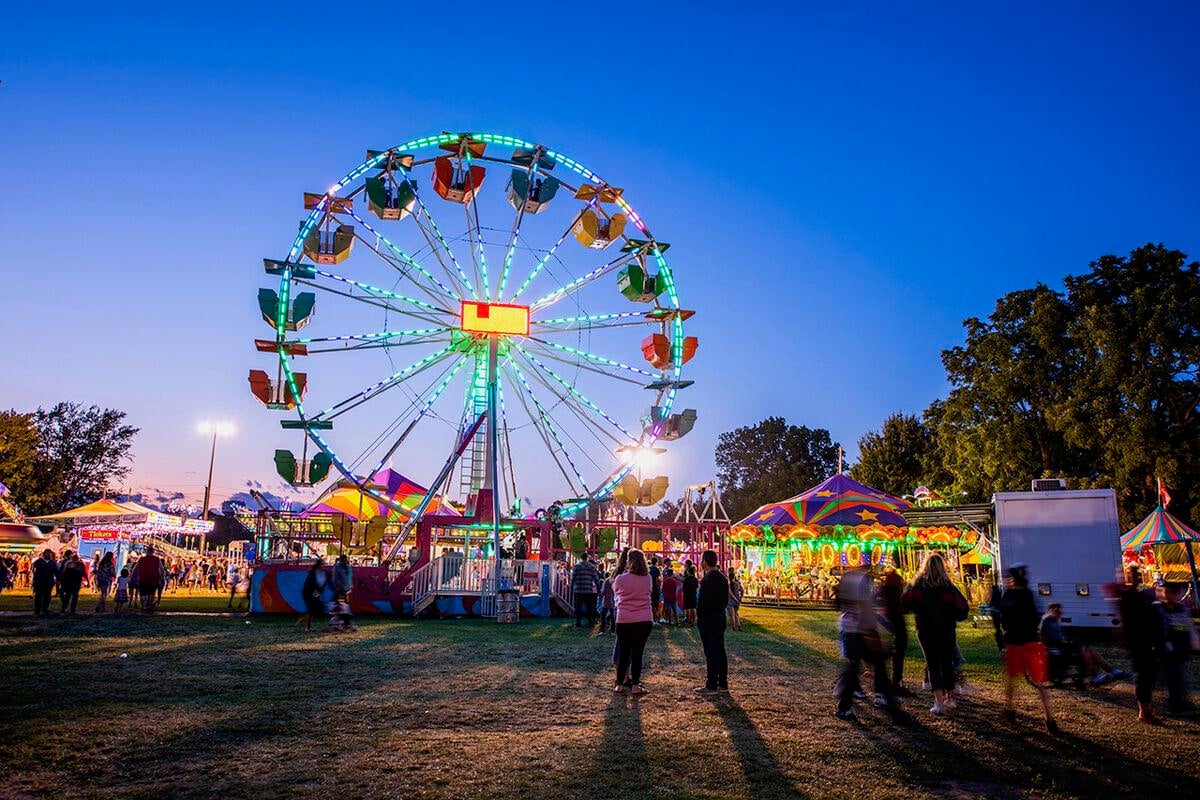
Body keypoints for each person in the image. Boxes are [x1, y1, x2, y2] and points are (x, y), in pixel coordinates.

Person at [835, 567, 905, 722]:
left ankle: (845, 705)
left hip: (848, 625)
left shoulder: (848, 577)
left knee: (855, 667)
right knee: (875, 665)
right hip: (860, 628)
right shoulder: (862, 580)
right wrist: (870, 628)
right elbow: (864, 604)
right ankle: (892, 709)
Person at [902, 553, 968, 715]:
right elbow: (963, 609)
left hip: (925, 630)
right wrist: (951, 616)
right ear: (942, 567)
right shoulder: (949, 587)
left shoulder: (917, 586)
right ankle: (950, 697)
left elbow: (904, 603)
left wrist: (917, 609)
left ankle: (938, 702)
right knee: (946, 663)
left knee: (932, 664)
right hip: (946, 630)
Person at [996, 565, 1058, 733]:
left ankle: (1010, 709)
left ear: (1012, 579)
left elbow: (1003, 619)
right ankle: (1049, 718)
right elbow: (1035, 616)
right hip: (1032, 642)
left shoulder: (1008, 596)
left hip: (1015, 642)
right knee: (1039, 683)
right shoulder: (1029, 594)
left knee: (1011, 679)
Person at [1112, 567, 1164, 724]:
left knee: (1148, 675)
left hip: (1145, 640)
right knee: (1143, 676)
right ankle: (1144, 712)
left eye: (1136, 575)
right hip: (1137, 642)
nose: (1135, 579)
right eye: (1132, 575)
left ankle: (1146, 709)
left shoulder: (1137, 596)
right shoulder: (1126, 597)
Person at [612, 548, 653, 695]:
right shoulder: (648, 578)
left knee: (623, 652)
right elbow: (650, 592)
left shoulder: (621, 579)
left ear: (629, 561)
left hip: (624, 618)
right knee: (637, 653)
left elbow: (615, 591)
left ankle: (619, 684)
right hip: (644, 618)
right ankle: (635, 685)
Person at [1157, 582, 1199, 715]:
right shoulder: (1157, 609)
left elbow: (1187, 627)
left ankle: (1177, 701)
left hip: (1180, 648)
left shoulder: (1182, 609)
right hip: (1166, 649)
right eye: (1163, 591)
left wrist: (1194, 642)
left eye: (1169, 592)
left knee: (1178, 676)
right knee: (1174, 676)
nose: (1165, 595)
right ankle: (1174, 704)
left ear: (1177, 594)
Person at [695, 550, 730, 694]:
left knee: (710, 652)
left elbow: (703, 602)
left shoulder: (707, 579)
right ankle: (722, 682)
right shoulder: (723, 578)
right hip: (720, 617)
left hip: (708, 619)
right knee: (720, 650)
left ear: (705, 561)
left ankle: (711, 684)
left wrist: (700, 617)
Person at [880, 565, 912, 696]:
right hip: (894, 627)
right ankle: (895, 681)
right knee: (897, 650)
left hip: (886, 626)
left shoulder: (884, 597)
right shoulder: (896, 602)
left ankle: (889, 682)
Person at [297, 558, 327, 633]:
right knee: (311, 610)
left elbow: (324, 583)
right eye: (322, 564)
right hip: (308, 593)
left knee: (315, 610)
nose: (324, 565)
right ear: (318, 565)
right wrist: (316, 592)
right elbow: (310, 584)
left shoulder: (323, 573)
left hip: (315, 593)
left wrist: (319, 591)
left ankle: (303, 618)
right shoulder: (313, 573)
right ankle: (307, 627)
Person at [571, 556, 601, 628]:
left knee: (578, 607)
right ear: (586, 558)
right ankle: (591, 623)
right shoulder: (591, 566)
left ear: (581, 558)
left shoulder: (577, 566)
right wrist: (598, 588)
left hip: (578, 590)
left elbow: (573, 577)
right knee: (589, 607)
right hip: (588, 590)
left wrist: (572, 587)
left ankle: (578, 623)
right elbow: (596, 578)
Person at [134, 546, 164, 612]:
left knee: (143, 593)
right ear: (153, 552)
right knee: (151, 593)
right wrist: (161, 577)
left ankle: (143, 606)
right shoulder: (157, 559)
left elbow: (136, 568)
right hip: (153, 579)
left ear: (147, 551)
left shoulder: (141, 559)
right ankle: (149, 605)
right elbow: (161, 569)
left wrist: (134, 576)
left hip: (143, 578)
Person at [31, 548, 58, 615]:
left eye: (50, 554)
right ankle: (37, 610)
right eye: (47, 553)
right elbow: (34, 572)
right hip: (39, 582)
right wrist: (34, 581)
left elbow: (56, 572)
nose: (48, 555)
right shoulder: (38, 562)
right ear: (44, 554)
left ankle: (45, 609)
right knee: (38, 596)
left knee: (47, 596)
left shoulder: (52, 563)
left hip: (48, 582)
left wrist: (58, 579)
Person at [682, 561, 699, 626]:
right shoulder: (695, 579)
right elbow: (697, 586)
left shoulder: (687, 579)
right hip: (693, 594)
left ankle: (689, 620)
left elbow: (684, 587)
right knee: (693, 607)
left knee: (688, 608)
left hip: (687, 594)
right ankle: (694, 621)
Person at [648, 556, 663, 623]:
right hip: (655, 589)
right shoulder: (656, 569)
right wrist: (659, 586)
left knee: (650, 604)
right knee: (655, 605)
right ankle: (655, 619)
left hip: (649, 588)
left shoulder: (648, 569)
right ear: (656, 562)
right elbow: (657, 580)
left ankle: (650, 619)